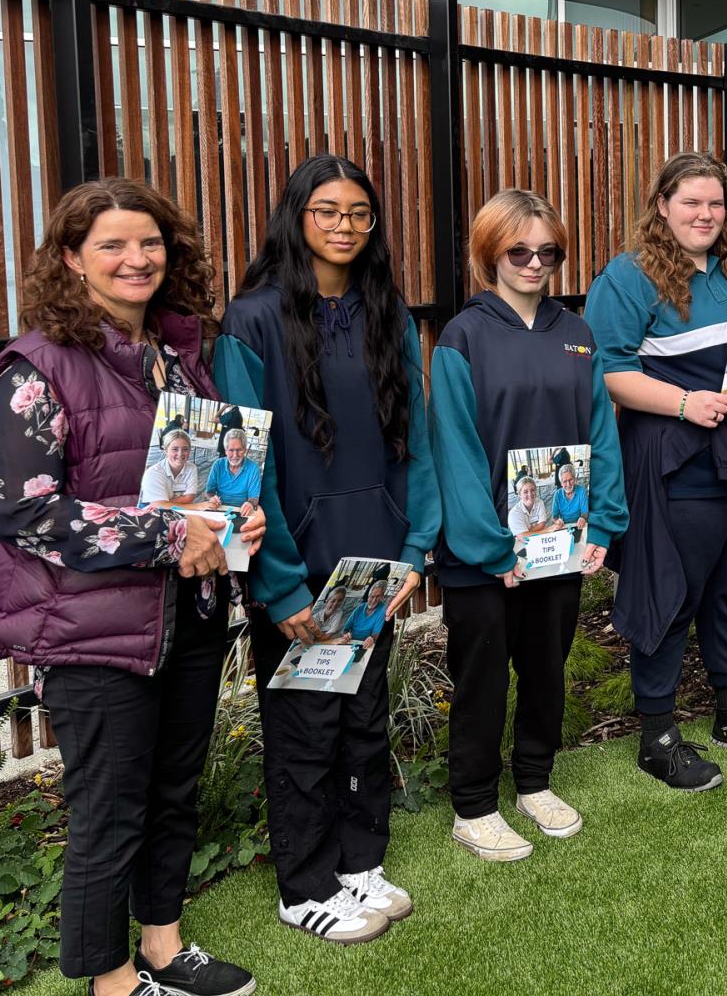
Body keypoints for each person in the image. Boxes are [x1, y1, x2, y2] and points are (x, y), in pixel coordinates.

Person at [0, 178, 259, 996]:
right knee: (109, 814)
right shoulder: (32, 368)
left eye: (149, 242)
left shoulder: (179, 356)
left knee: (175, 791)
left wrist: (236, 524)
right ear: (72, 258)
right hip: (93, 632)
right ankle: (112, 981)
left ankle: (166, 949)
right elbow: (23, 514)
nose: (136, 258)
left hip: (192, 615)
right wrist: (175, 534)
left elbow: (206, 481)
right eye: (111, 244)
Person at [214, 154, 440, 944]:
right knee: (304, 731)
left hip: (374, 565)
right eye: (327, 211)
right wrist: (277, 586)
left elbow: (418, 444)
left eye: (359, 213)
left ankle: (358, 865)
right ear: (296, 215)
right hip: (298, 572)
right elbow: (247, 464)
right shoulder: (253, 321)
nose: (344, 226)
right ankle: (303, 885)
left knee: (363, 721)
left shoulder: (389, 313)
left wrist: (415, 547)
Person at [585, 153, 727, 790]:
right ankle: (657, 735)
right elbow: (608, 373)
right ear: (662, 206)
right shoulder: (625, 279)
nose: (705, 215)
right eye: (691, 203)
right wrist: (684, 403)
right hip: (676, 462)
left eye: (715, 203)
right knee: (673, 594)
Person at [430, 188, 625, 859]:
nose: (536, 262)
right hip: (483, 555)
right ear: (490, 252)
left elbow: (601, 430)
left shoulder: (576, 333)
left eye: (549, 251)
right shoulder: (462, 336)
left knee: (547, 668)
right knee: (482, 679)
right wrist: (489, 548)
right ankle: (474, 805)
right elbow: (452, 449)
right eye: (519, 250)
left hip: (558, 546)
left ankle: (534, 781)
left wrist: (602, 523)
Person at [202, 427, 262, 514]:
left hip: (242, 511)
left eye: (239, 450)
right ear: (226, 451)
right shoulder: (218, 465)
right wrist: (211, 498)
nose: (235, 455)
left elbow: (254, 497)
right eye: (231, 450)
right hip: (218, 509)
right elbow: (208, 492)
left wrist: (250, 504)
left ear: (245, 449)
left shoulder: (253, 468)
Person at [141, 428, 201, 507]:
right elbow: (158, 507)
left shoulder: (192, 468)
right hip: (150, 512)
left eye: (185, 449)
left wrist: (165, 503)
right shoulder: (153, 472)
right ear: (166, 450)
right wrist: (197, 506)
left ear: (190, 450)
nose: (180, 454)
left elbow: (189, 497)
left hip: (177, 510)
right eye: (175, 449)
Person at [345, 579, 390, 648]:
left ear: (382, 596)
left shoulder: (383, 609)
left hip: (365, 644)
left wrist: (372, 638)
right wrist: (346, 634)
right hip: (350, 641)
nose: (374, 600)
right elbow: (346, 628)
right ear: (368, 596)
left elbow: (376, 633)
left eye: (378, 596)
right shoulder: (360, 608)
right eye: (372, 596)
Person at [550, 460, 589, 532]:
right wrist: (557, 521)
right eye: (564, 481)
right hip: (563, 526)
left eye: (570, 480)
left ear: (574, 479)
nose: (568, 484)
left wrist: (583, 518)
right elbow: (554, 517)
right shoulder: (557, 495)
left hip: (578, 525)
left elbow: (585, 513)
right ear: (561, 483)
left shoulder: (581, 491)